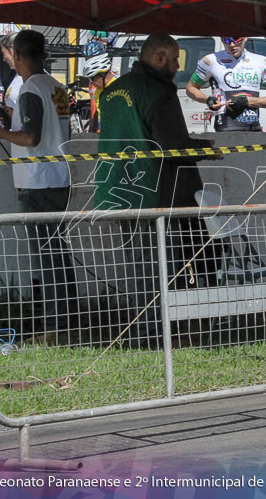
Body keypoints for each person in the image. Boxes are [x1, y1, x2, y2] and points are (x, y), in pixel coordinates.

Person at [93, 33, 220, 346]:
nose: (178, 67)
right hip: (156, 192)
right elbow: (172, 145)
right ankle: (156, 338)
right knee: (163, 269)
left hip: (118, 191)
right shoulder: (158, 91)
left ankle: (144, 334)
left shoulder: (112, 91)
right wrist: (206, 149)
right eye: (175, 59)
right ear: (159, 58)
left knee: (139, 270)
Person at [0, 30, 75, 343]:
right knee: (58, 256)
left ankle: (55, 329)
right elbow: (59, 130)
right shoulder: (58, 87)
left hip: (38, 182)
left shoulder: (30, 89)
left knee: (46, 260)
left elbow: (31, 138)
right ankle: (66, 323)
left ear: (19, 56)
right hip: (61, 178)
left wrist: (0, 133)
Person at [185, 36, 266, 132]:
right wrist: (207, 99)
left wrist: (247, 102)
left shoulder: (261, 61)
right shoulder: (210, 61)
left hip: (253, 130)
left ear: (245, 37)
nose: (232, 45)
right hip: (224, 129)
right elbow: (190, 88)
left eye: (236, 39)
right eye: (226, 40)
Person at [82, 52, 117, 132]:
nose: (92, 83)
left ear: (101, 76)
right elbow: (96, 114)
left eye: (92, 79)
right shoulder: (99, 90)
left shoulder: (119, 88)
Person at [0, 33, 22, 120]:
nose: (4, 59)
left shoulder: (30, 81)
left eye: (4, 53)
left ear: (13, 51)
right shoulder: (17, 77)